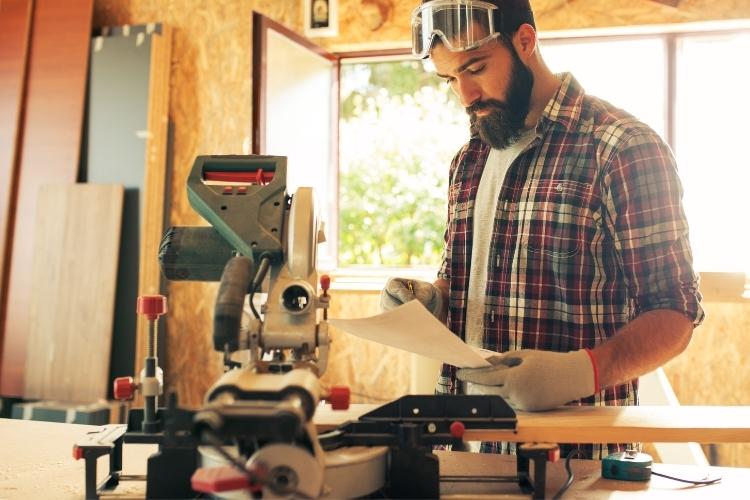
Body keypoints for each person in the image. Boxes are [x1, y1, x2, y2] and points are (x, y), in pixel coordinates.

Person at [380, 0, 704, 459]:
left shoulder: (622, 148)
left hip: (577, 461)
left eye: (476, 68)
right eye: (450, 79)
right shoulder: (469, 160)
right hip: (462, 450)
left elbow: (675, 314)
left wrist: (581, 372)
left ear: (525, 41)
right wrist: (428, 303)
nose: (465, 96)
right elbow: (461, 281)